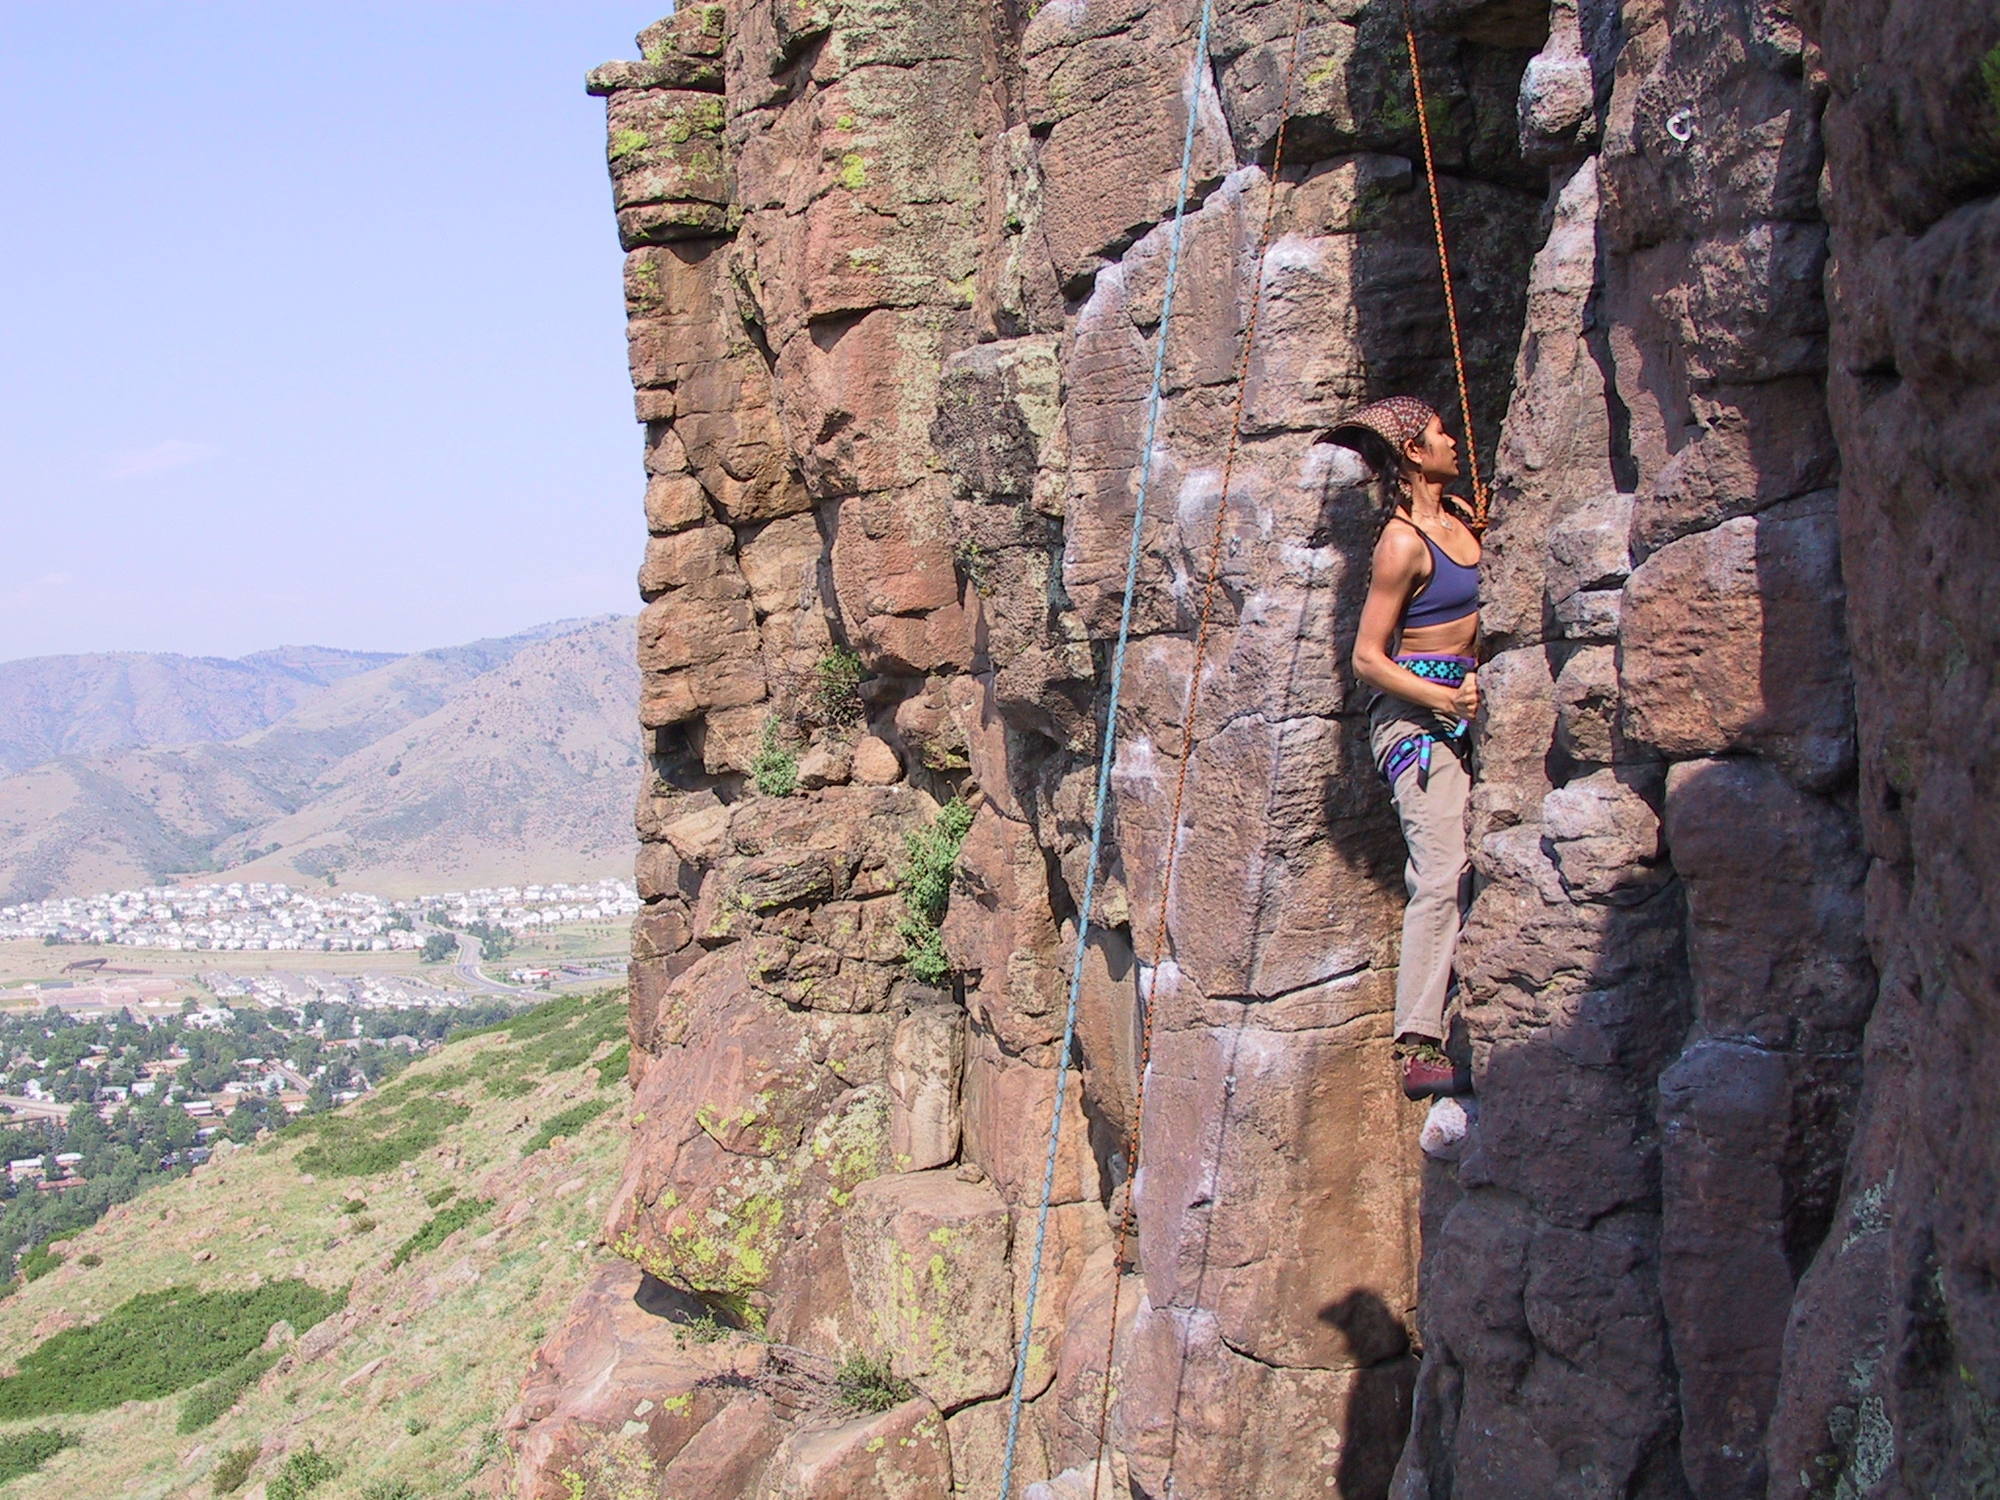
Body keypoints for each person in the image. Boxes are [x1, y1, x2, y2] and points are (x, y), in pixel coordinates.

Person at [1330, 396, 1479, 1102]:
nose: (1453, 442)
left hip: (1461, 708)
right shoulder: (1402, 543)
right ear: (1415, 452)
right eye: (1441, 434)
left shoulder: (1463, 520)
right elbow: (1367, 657)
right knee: (1442, 868)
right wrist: (1442, 700)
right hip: (1414, 721)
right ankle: (1420, 1043)